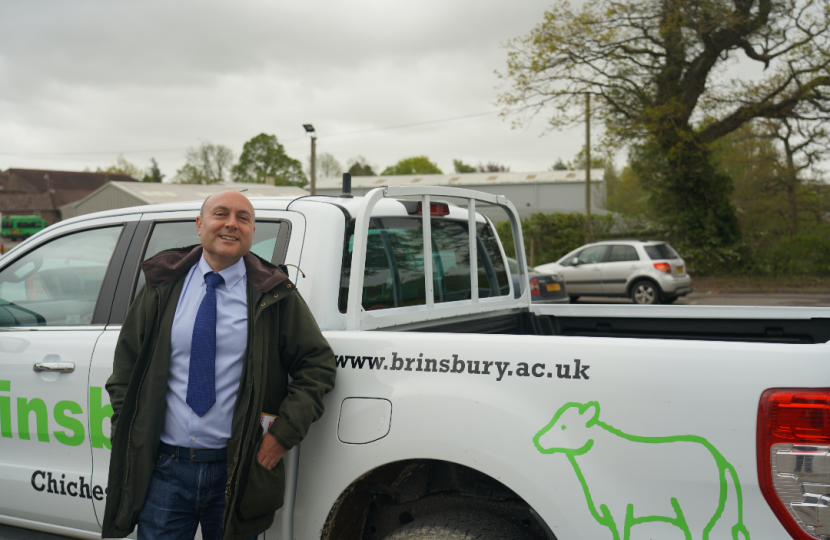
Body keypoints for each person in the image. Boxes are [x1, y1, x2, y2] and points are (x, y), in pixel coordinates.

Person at [102, 190, 336, 540]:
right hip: (164, 468)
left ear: (252, 231)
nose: (231, 224)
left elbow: (317, 364)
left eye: (243, 218)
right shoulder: (161, 286)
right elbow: (126, 367)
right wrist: (132, 427)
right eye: (220, 214)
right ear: (200, 225)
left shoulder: (274, 293)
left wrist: (282, 435)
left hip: (237, 470)